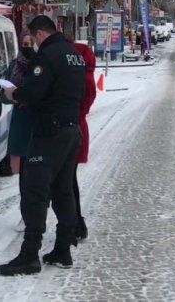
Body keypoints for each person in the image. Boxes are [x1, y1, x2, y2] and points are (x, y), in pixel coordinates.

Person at [0, 15, 85, 276]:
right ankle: (62, 249)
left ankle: (29, 255)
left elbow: (33, 94)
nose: (32, 42)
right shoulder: (73, 54)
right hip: (71, 131)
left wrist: (14, 93)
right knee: (63, 191)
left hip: (48, 134)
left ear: (38, 33)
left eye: (32, 37)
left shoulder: (46, 57)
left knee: (35, 193)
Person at [0, 34, 36, 231]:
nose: (28, 47)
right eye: (25, 44)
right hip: (22, 125)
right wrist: (10, 95)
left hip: (40, 124)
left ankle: (41, 212)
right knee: (24, 176)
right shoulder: (14, 66)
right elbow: (2, 97)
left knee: (40, 175)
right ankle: (26, 215)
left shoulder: (43, 64)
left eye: (31, 44)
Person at [70, 41, 97, 243]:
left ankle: (76, 223)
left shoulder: (83, 79)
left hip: (74, 129)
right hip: (78, 129)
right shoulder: (86, 76)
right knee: (69, 181)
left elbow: (84, 105)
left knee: (68, 182)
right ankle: (76, 222)